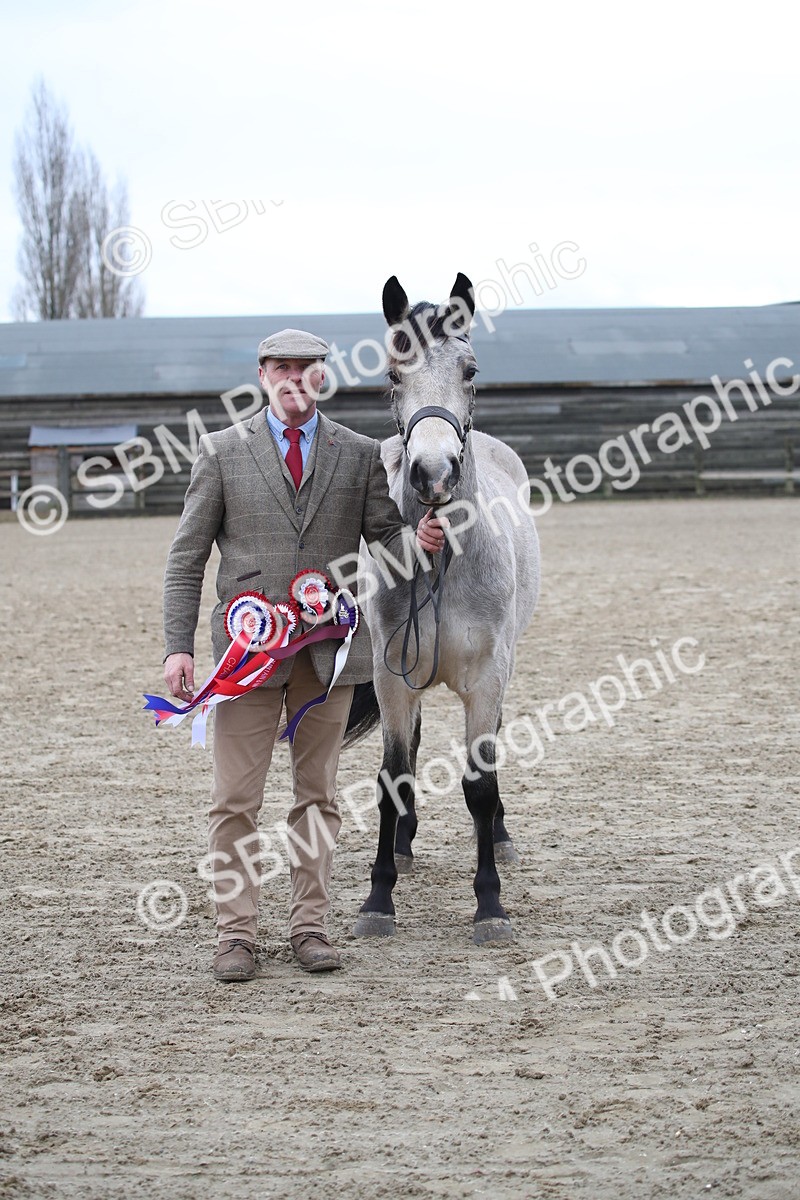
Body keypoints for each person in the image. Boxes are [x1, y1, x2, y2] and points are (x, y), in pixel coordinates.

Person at [162, 328, 446, 982]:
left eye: (308, 368)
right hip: (248, 657)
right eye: (282, 367)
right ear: (263, 375)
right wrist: (178, 648)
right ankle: (235, 935)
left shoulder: (360, 455)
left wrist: (421, 538)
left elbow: (386, 544)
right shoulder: (221, 453)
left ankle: (308, 926)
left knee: (317, 798)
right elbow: (185, 559)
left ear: (324, 376)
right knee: (236, 800)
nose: (295, 378)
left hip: (331, 659)